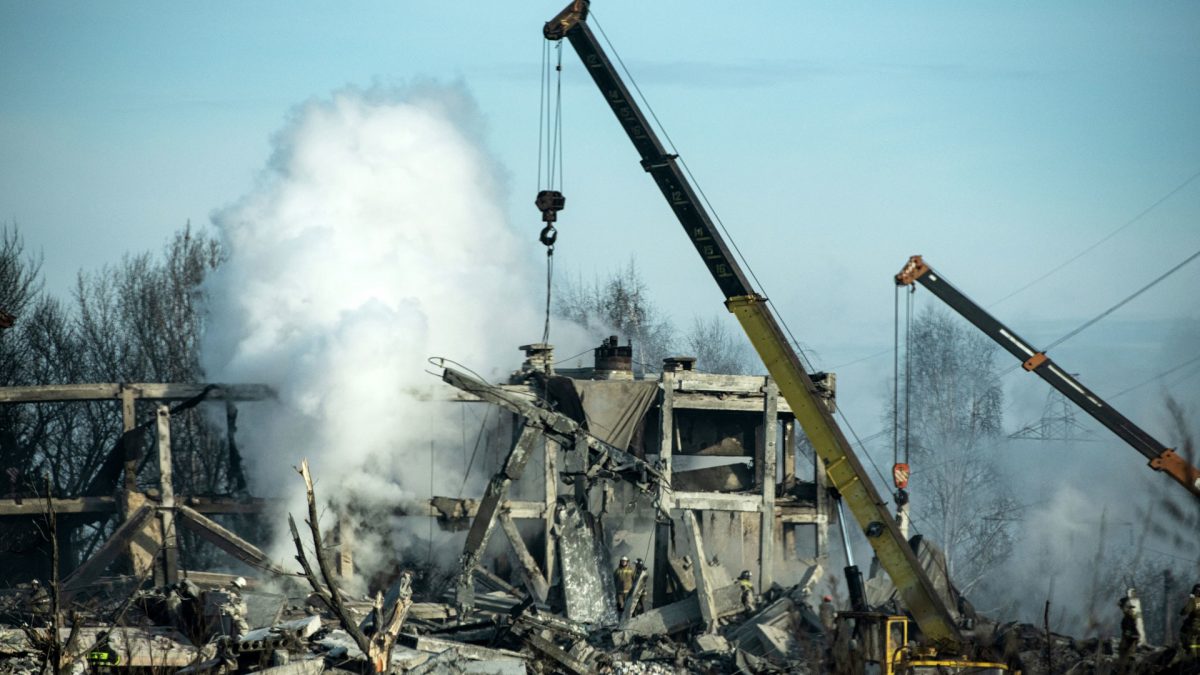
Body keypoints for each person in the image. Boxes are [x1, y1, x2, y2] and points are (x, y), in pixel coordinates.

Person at [1117, 595, 1140, 673]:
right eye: (1128, 608)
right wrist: (1134, 636)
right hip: (1126, 649)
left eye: (1131, 608)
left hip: (1130, 649)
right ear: (1123, 609)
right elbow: (1128, 635)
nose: (1131, 610)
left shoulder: (1130, 619)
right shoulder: (1126, 620)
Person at [1181, 583, 1200, 659]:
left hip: (1195, 625)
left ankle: (1194, 659)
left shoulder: (1194, 600)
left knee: (1191, 641)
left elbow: (1186, 610)